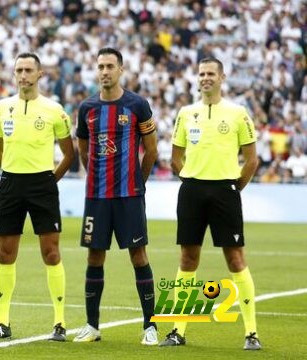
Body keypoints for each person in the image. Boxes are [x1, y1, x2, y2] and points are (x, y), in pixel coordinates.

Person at [159, 57, 261, 350]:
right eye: (202, 73)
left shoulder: (238, 113)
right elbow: (175, 159)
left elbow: (252, 159)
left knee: (235, 259)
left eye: (211, 74)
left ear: (222, 77)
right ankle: (178, 330)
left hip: (225, 191)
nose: (205, 78)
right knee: (187, 259)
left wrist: (233, 187)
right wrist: (191, 182)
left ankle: (251, 333)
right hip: (192, 190)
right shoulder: (186, 113)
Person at [0, 52, 75, 341]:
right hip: (11, 184)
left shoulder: (54, 110)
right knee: (5, 253)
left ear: (40, 74)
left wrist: (48, 181)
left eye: (28, 70)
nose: (23, 75)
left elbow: (68, 154)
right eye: (18, 70)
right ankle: (2, 321)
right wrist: (11, 171)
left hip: (42, 186)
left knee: (51, 252)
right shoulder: (1, 108)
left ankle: (59, 323)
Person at [73, 47, 159, 345]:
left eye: (110, 66)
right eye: (101, 66)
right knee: (95, 256)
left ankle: (150, 326)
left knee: (138, 255)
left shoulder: (137, 105)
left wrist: (139, 182)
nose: (105, 71)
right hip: (97, 197)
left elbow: (152, 150)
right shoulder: (87, 108)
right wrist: (96, 174)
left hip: (129, 196)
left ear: (121, 70)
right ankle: (92, 326)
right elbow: (83, 150)